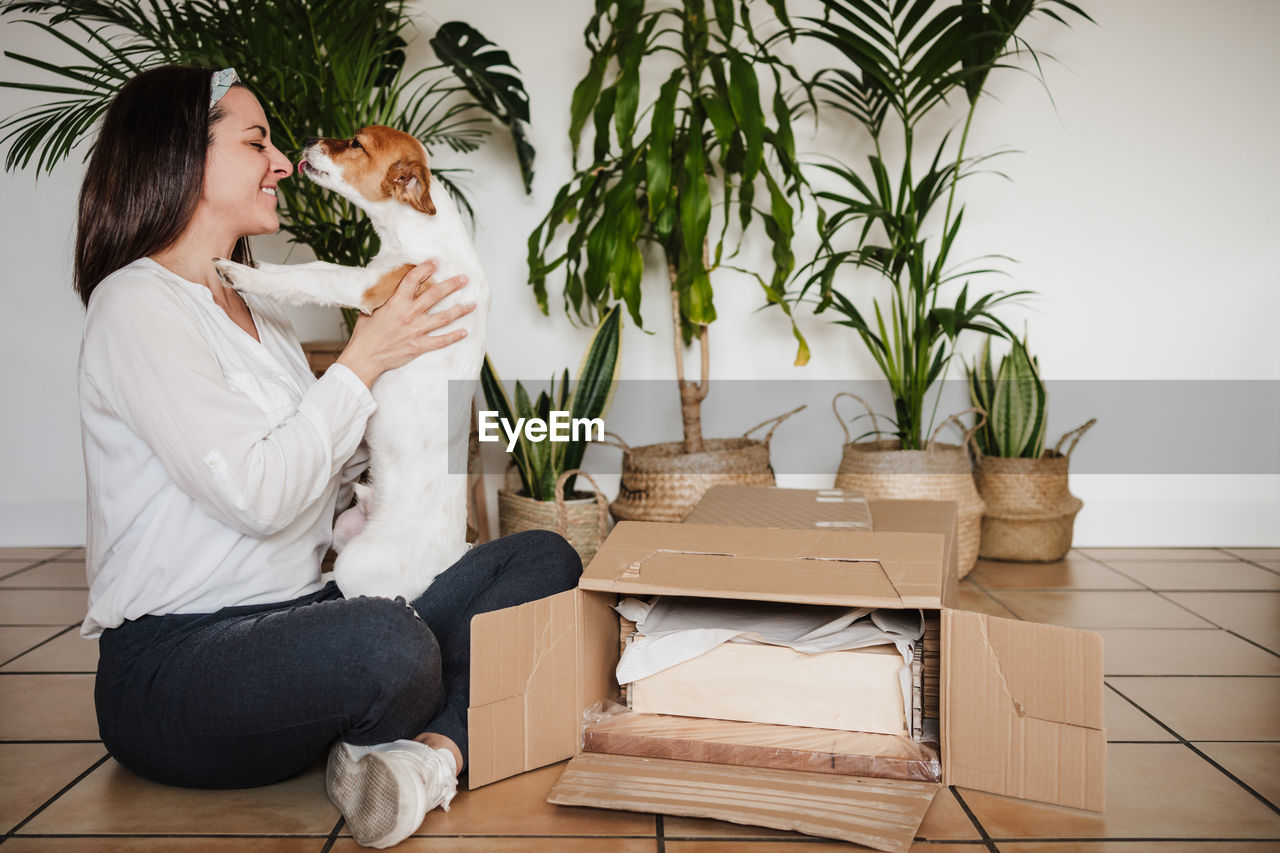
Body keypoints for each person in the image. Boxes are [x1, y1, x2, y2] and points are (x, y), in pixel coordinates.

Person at [75, 65, 582, 849]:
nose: (281, 161)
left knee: (545, 559)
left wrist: (413, 410)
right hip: (177, 664)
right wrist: (366, 358)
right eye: (256, 142)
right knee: (389, 645)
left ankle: (424, 761)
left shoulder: (260, 307)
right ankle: (411, 721)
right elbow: (260, 494)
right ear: (183, 157)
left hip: (305, 614)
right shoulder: (136, 305)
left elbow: (322, 464)